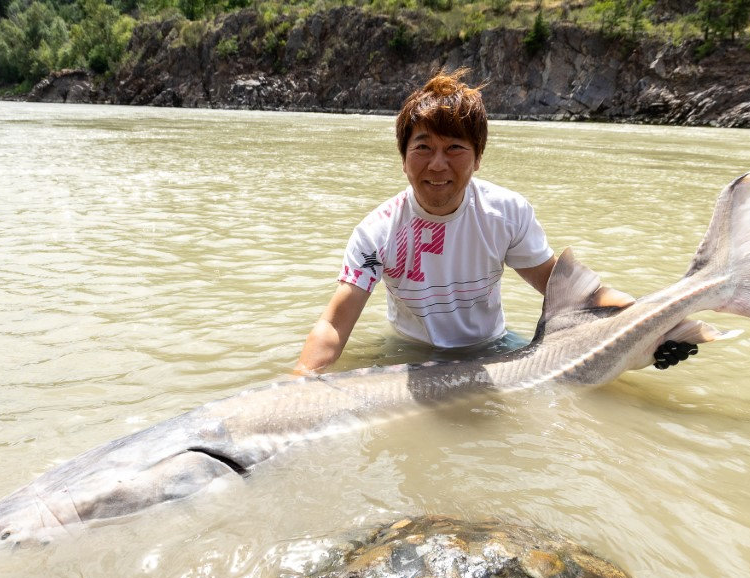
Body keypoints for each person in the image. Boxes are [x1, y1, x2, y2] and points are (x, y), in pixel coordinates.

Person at [293, 69, 695, 375]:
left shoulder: (507, 212)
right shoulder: (376, 232)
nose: (437, 164)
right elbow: (333, 325)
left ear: (478, 157)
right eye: (423, 148)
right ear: (403, 159)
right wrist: (299, 384)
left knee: (580, 379)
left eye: (454, 148)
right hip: (410, 351)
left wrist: (650, 325)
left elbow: (568, 295)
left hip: (492, 347)